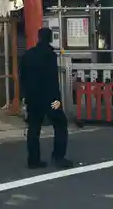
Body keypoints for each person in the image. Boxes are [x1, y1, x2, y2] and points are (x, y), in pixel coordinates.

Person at [19, 27, 73, 169]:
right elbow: (52, 79)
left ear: (38, 38)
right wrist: (57, 99)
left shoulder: (27, 55)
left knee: (33, 128)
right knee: (60, 124)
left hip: (32, 97)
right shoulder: (50, 55)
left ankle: (33, 160)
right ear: (50, 39)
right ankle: (58, 157)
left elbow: (22, 78)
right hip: (49, 98)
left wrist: (24, 97)